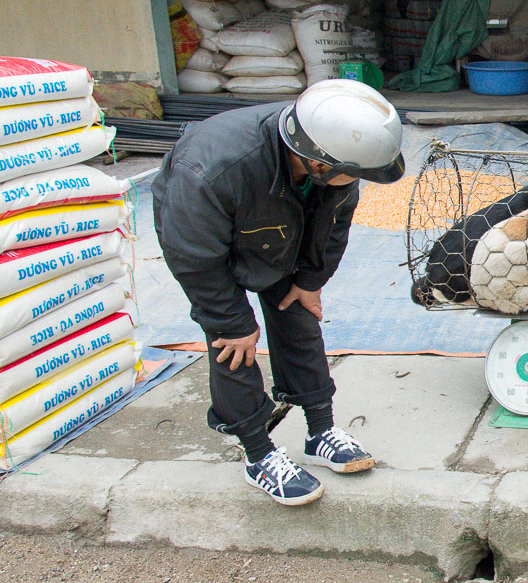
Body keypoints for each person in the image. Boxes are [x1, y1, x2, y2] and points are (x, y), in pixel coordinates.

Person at [152, 79, 405, 505]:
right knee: (233, 345)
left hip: (277, 225)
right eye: (356, 174)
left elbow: (334, 226)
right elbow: (192, 256)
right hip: (209, 238)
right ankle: (257, 453)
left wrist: (310, 280)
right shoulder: (212, 170)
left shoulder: (337, 155)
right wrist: (231, 320)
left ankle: (320, 430)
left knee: (298, 316)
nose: (358, 182)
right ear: (318, 162)